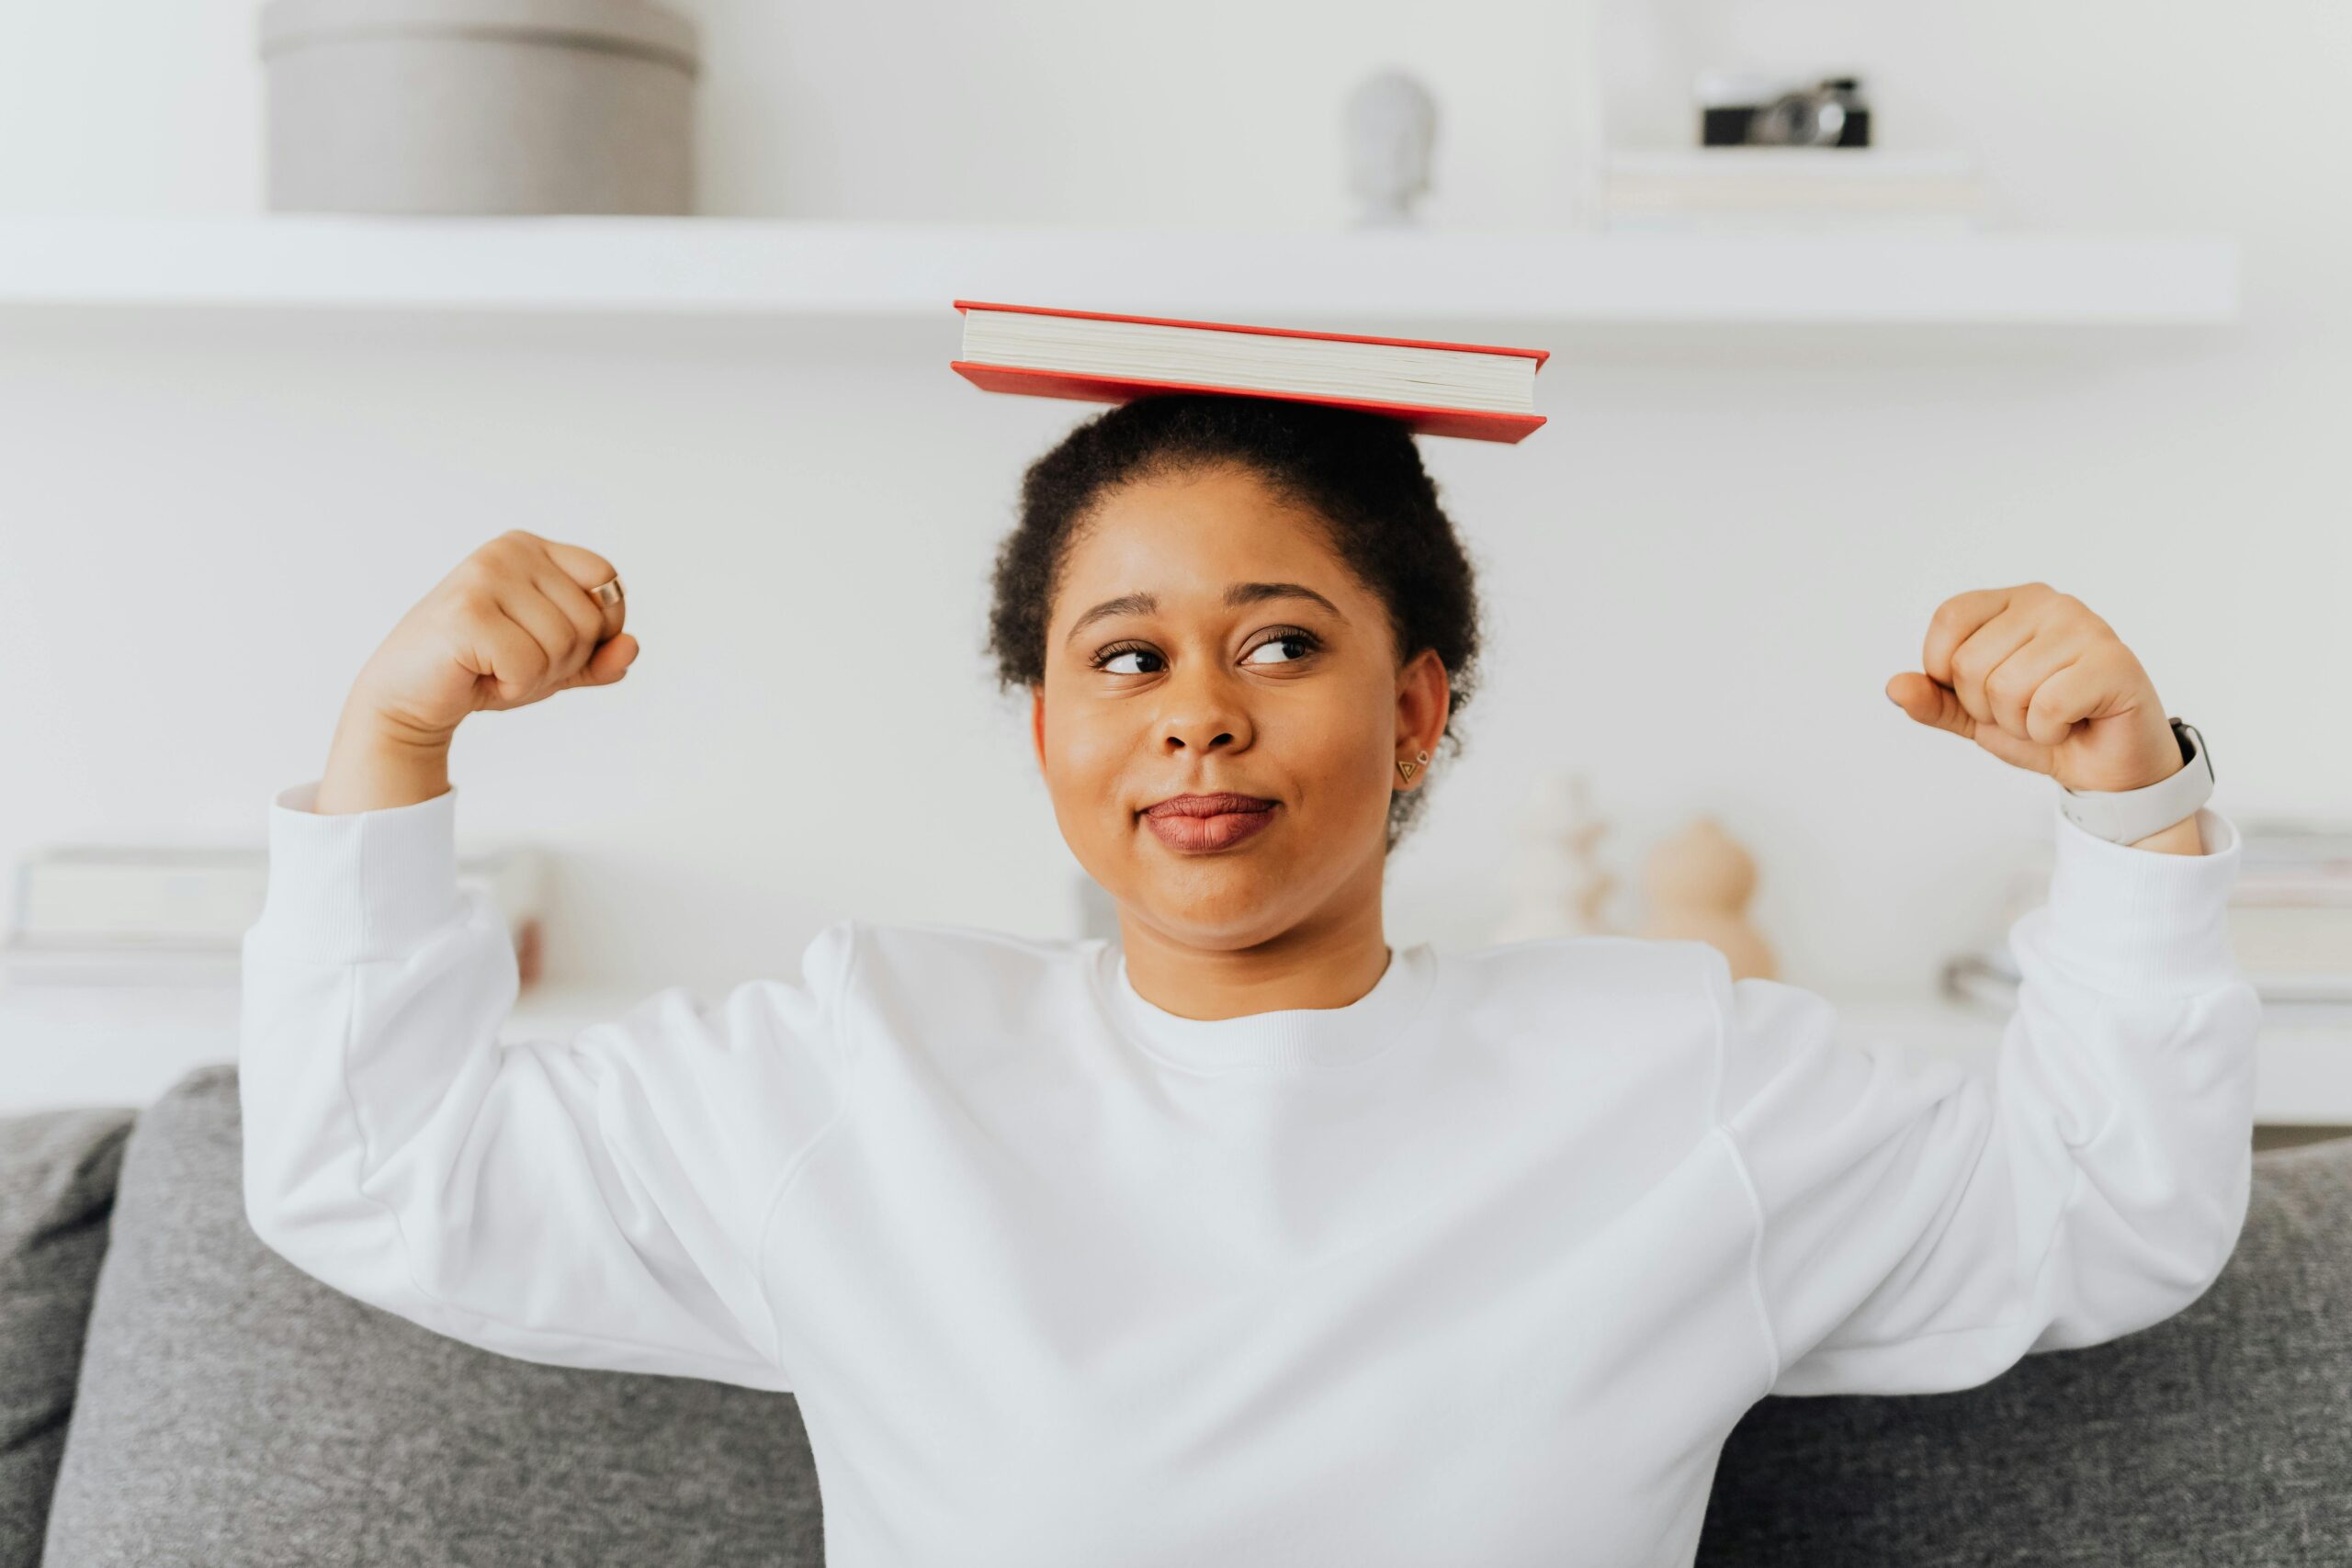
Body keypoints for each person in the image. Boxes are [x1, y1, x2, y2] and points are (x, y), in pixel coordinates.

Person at [240, 392, 2255, 1567]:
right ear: (1040, 731)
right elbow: (367, 1165)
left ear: (1417, 709)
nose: (1194, 717)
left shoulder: (1667, 1071)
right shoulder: (861, 1065)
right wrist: (393, 735)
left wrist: (2122, 796)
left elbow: (2110, 1206)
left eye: (1279, 643)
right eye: (1123, 659)